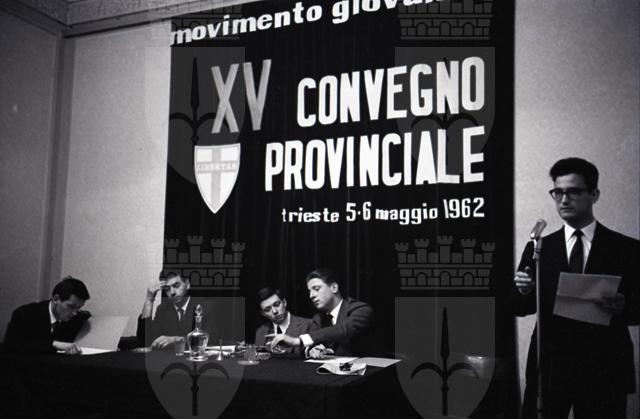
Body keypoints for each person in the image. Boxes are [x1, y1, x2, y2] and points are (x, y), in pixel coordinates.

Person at [511, 158, 639, 419]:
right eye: (557, 192)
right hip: (549, 367)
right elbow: (520, 307)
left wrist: (623, 305)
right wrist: (523, 291)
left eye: (573, 192)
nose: (563, 200)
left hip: (604, 367)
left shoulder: (627, 248)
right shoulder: (539, 248)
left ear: (594, 194)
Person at [269, 268, 374, 358]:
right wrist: (312, 350)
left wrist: (298, 340)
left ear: (334, 287)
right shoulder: (319, 318)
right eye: (309, 291)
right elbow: (315, 341)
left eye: (316, 289)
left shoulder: (361, 310)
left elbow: (342, 330)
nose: (311, 296)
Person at [3, 276, 91, 354]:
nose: (75, 313)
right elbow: (11, 345)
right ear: (56, 299)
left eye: (78, 308)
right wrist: (54, 344)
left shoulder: (77, 320)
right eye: (71, 307)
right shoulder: (25, 314)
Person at [136, 270, 217, 350]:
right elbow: (144, 342)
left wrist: (176, 340)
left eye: (176, 285)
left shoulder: (206, 307)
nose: (172, 292)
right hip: (169, 358)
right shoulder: (162, 310)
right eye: (167, 288)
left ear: (187, 284)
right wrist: (149, 299)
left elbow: (212, 340)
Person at [254, 287, 315, 354]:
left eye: (277, 305)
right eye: (268, 309)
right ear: (263, 314)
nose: (274, 311)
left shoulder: (309, 325)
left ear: (284, 302)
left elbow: (313, 352)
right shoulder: (260, 331)